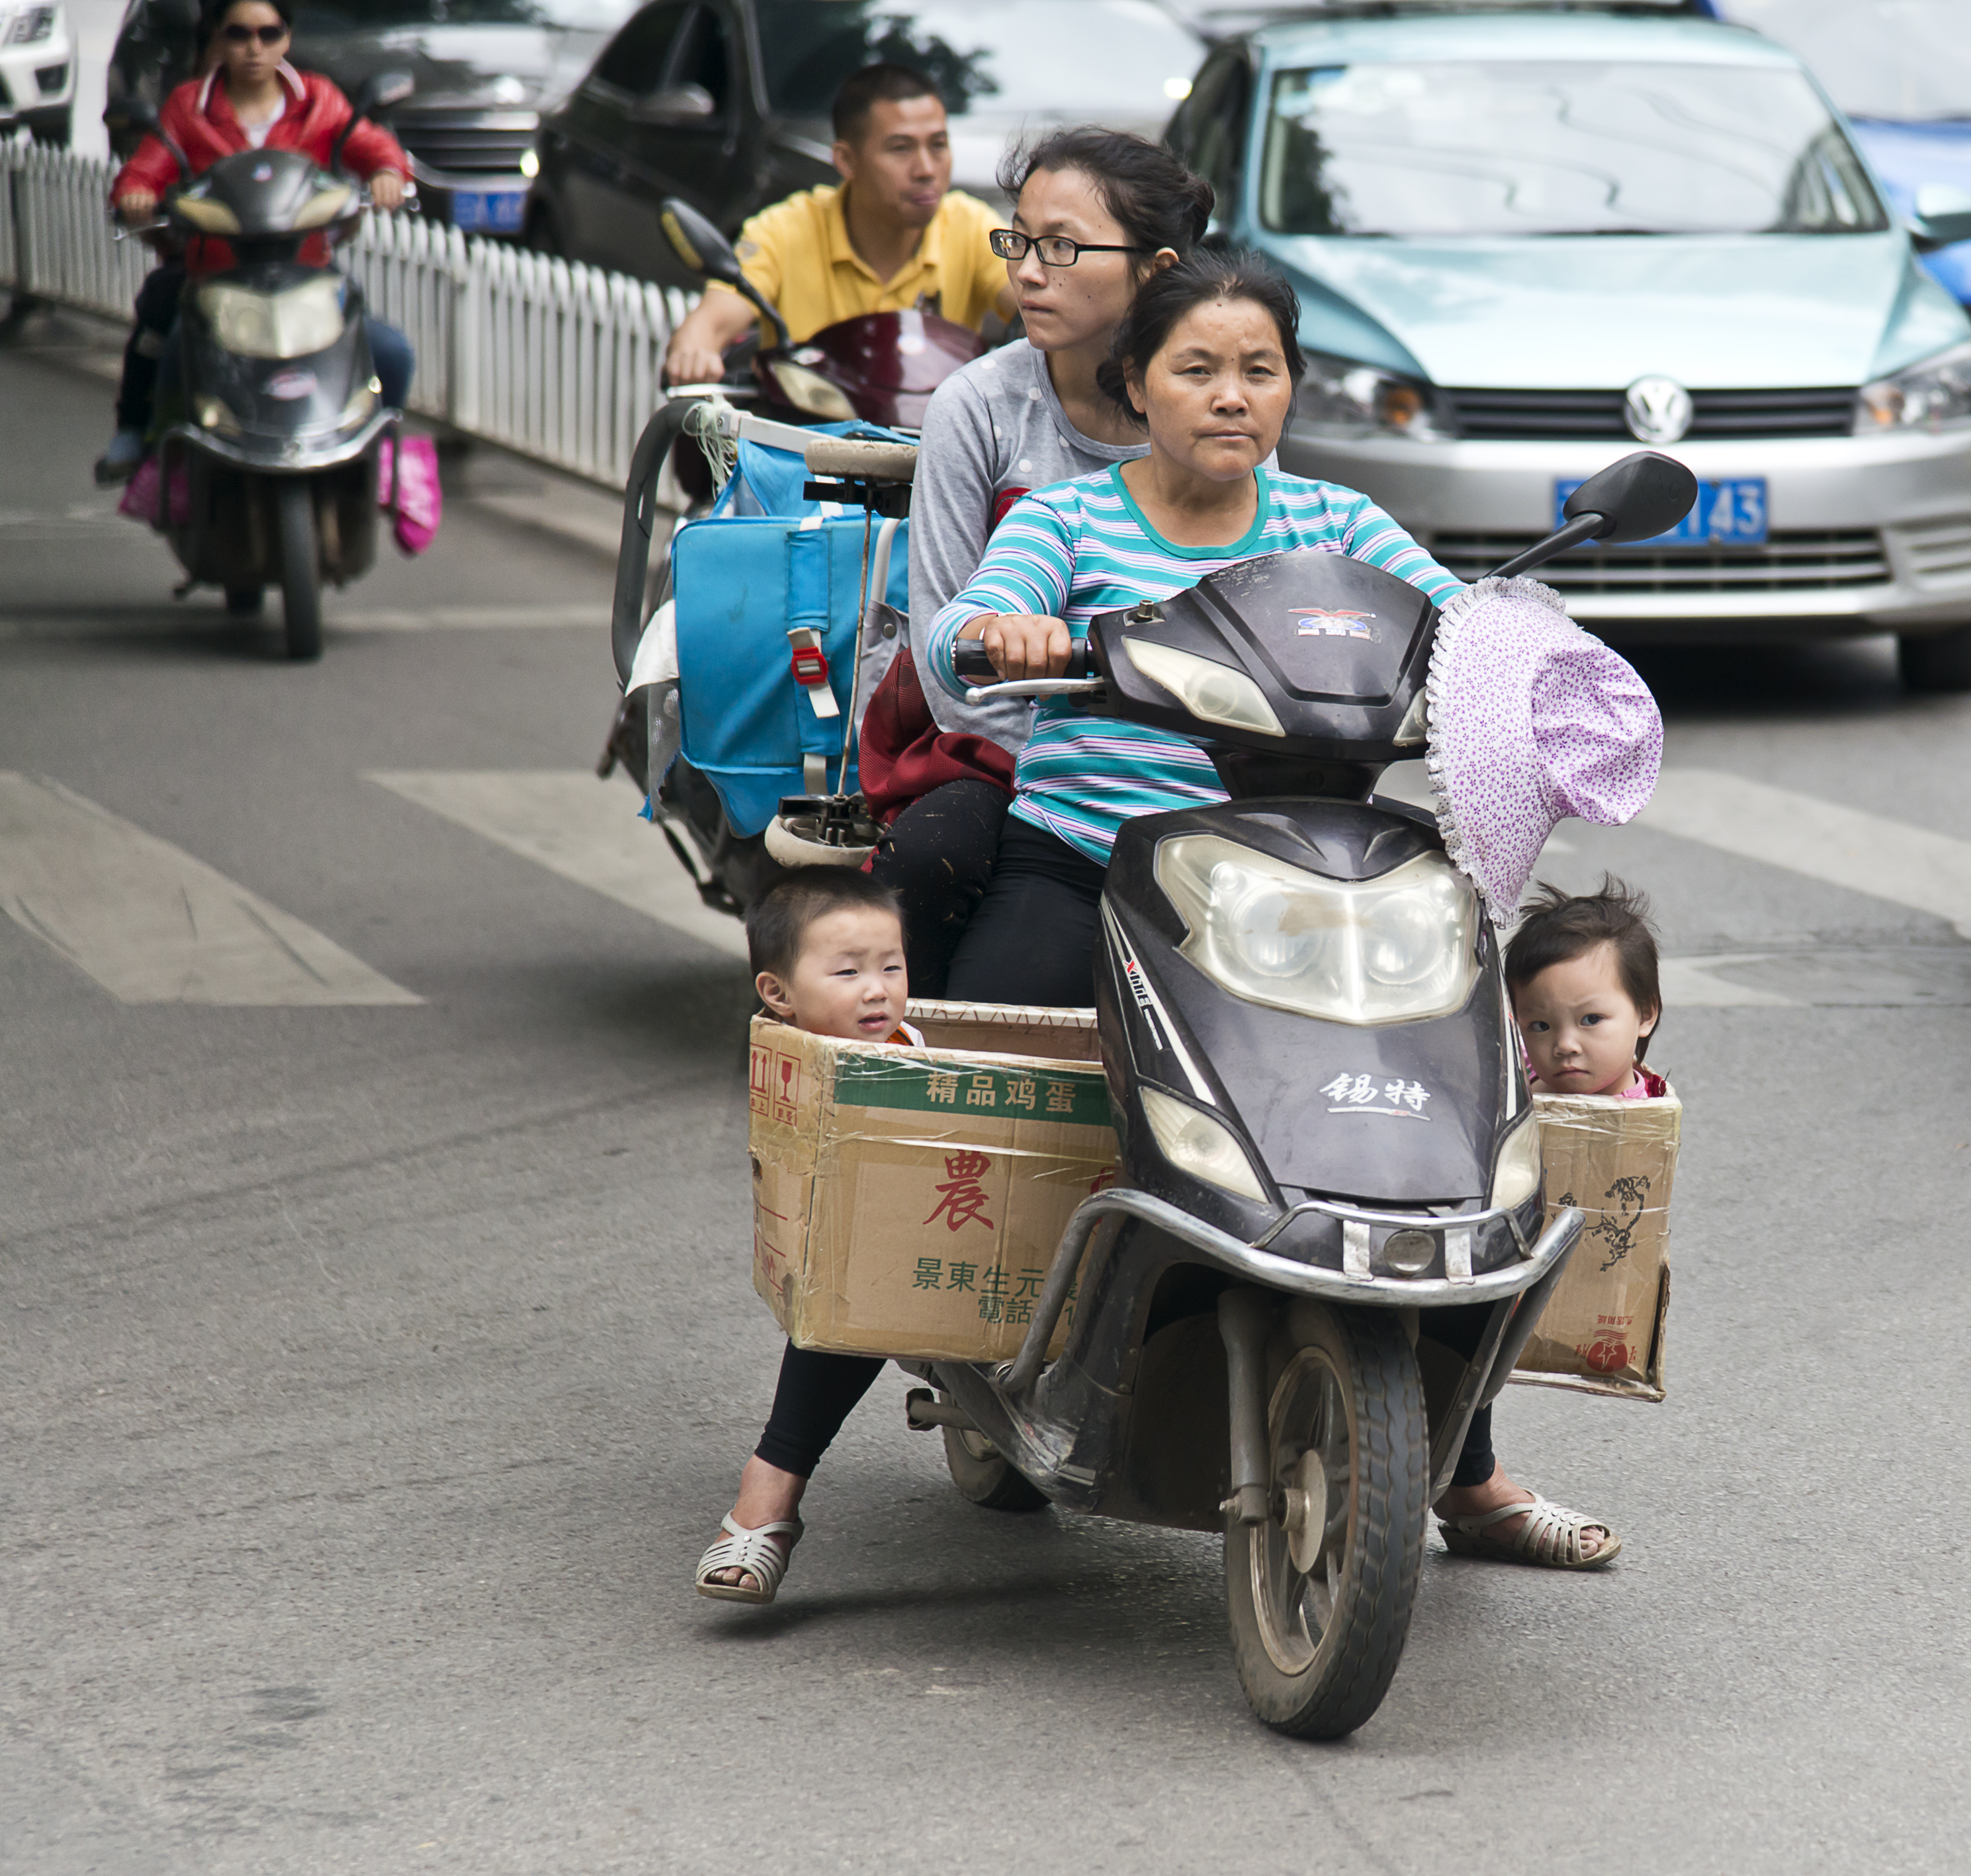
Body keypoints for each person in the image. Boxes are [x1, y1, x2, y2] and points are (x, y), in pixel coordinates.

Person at [933, 251, 1621, 1569]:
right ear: (1132, 384)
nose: (1229, 396)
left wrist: (1529, 649)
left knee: (1429, 1118)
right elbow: (980, 613)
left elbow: (1455, 623)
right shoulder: (1069, 523)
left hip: (1313, 880)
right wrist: (1009, 633)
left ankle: (1463, 1470)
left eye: (1258, 370)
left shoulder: (1333, 524)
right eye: (1195, 369)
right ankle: (856, 1423)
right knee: (966, 1081)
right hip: (1090, 860)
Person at [865, 128, 1211, 989]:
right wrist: (1081, 772)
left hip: (1187, 762)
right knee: (928, 861)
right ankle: (921, 1058)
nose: (1026, 270)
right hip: (997, 757)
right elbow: (947, 655)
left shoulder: (1221, 412)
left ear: (1158, 269)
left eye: (1061, 247)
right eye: (1019, 239)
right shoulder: (976, 406)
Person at [696, 867, 918, 1603]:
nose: (877, 989)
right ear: (777, 995)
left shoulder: (923, 1053)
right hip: (875, 1258)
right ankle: (772, 1485)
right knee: (861, 1261)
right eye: (849, 972)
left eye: (891, 967)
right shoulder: (791, 1063)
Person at [99, 0, 412, 484]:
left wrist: (389, 172)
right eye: (240, 34)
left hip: (308, 277)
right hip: (216, 280)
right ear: (220, 40)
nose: (254, 48)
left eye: (268, 34)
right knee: (176, 346)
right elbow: (145, 168)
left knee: (392, 353)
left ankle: (383, 458)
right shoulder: (187, 107)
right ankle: (152, 458)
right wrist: (137, 194)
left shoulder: (321, 99)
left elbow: (372, 145)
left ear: (286, 38)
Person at [660, 64, 1013, 389]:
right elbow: (714, 319)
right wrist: (695, 347)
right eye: (901, 148)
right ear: (845, 160)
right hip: (803, 446)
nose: (926, 169)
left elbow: (1032, 297)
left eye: (938, 145)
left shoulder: (971, 227)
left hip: (934, 449)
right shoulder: (784, 230)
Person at [1507, 879, 1669, 1102]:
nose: (1565, 1046)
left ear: (1645, 1015)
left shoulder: (1644, 1124)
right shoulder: (1513, 1086)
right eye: (1540, 1026)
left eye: (1591, 1019)